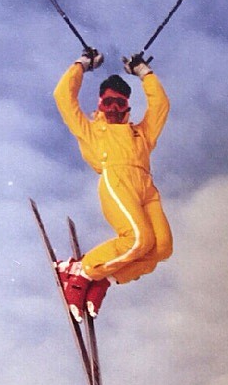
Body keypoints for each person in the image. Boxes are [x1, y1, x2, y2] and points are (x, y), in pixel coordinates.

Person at [52, 50, 173, 321]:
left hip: (146, 186)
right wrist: (82, 65)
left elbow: (161, 105)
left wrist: (144, 73)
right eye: (108, 103)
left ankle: (103, 276)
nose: (114, 109)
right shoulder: (90, 129)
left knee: (161, 247)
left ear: (128, 107)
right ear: (100, 104)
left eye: (120, 103)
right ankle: (80, 271)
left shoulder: (140, 133)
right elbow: (63, 96)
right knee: (137, 238)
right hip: (116, 180)